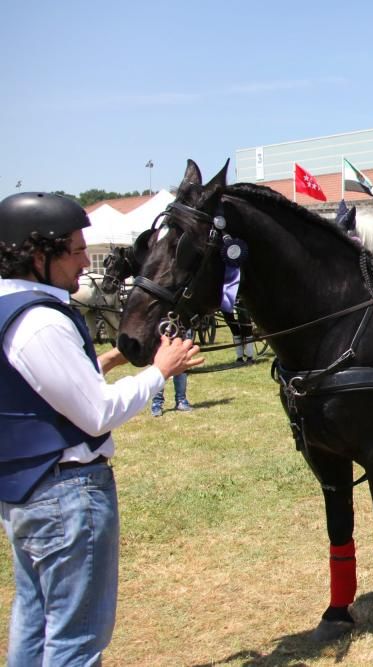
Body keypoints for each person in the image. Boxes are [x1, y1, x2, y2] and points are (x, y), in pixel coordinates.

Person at [0, 191, 202, 664]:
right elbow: (95, 414)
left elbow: (45, 385)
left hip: (26, 492)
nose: (82, 262)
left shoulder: (9, 309)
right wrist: (160, 372)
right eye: (74, 251)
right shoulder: (40, 323)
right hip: (65, 497)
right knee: (77, 639)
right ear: (37, 255)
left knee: (34, 620)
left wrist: (112, 357)